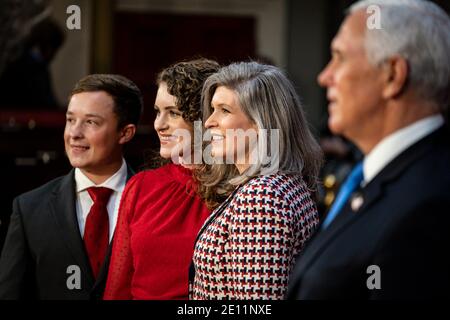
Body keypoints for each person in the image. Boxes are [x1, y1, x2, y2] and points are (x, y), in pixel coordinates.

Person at [288, 0, 450, 299]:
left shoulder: (430, 205)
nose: (324, 76)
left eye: (339, 58)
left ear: (392, 75)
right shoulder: (377, 176)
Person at [0, 74, 143, 299]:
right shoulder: (29, 209)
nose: (74, 133)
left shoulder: (154, 203)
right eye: (70, 120)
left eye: (91, 122)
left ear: (125, 133)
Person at [190, 61, 322, 300]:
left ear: (261, 123)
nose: (209, 122)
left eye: (225, 110)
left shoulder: (262, 197)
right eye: (212, 108)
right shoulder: (278, 185)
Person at [103, 58, 220, 300]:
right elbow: (117, 286)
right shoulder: (140, 186)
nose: (159, 125)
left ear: (205, 119)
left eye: (173, 113)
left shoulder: (236, 192)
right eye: (158, 112)